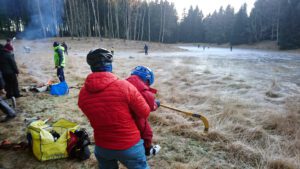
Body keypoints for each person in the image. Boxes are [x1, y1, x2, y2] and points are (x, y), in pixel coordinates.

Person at [78, 48, 151, 169]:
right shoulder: (125, 86)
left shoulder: (83, 93)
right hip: (129, 145)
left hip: (102, 147)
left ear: (91, 67)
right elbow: (145, 112)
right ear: (109, 66)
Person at [126, 66, 161, 157]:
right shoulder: (145, 91)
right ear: (147, 79)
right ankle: (147, 150)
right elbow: (150, 107)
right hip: (135, 116)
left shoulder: (123, 82)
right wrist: (156, 104)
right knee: (147, 132)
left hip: (122, 113)